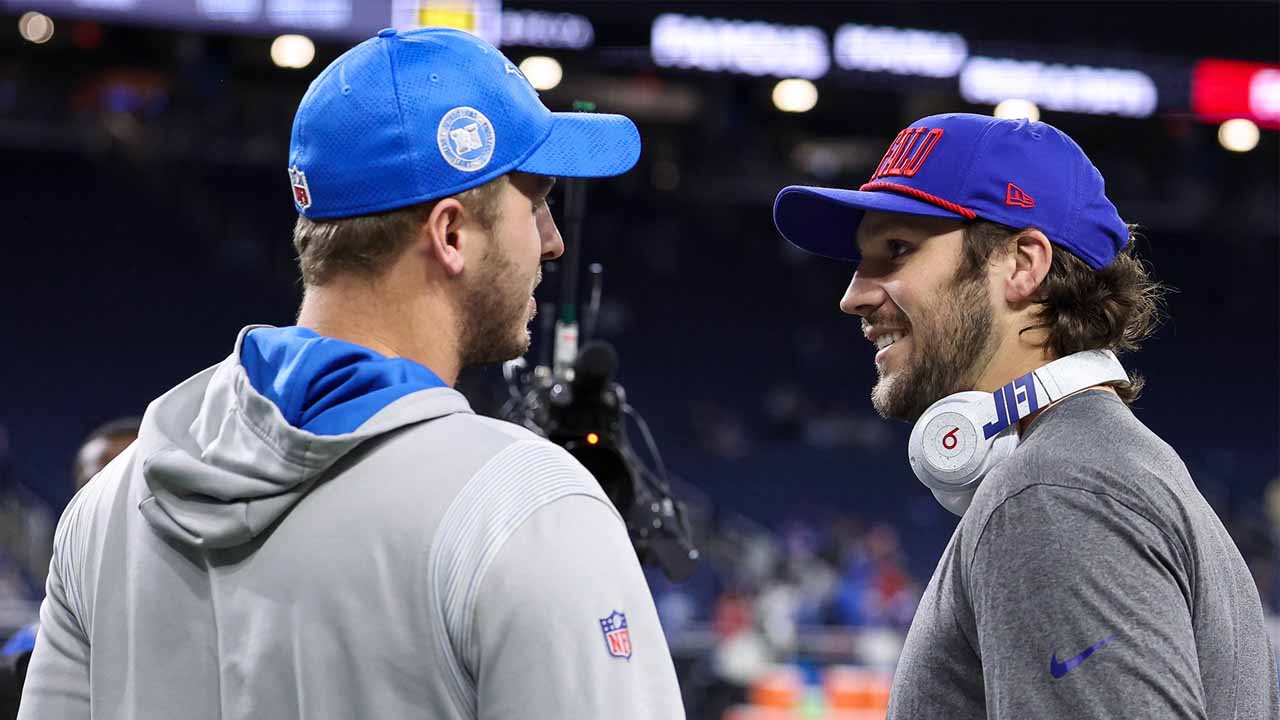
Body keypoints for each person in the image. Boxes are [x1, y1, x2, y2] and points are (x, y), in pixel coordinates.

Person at [19, 27, 684, 719]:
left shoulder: (106, 508)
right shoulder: (527, 508)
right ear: (451, 234)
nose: (552, 241)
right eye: (535, 200)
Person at [773, 113, 1279, 718]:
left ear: (1022, 263)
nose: (852, 294)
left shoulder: (1055, 491)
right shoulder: (1105, 468)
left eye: (897, 250)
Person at [1, 417, 140, 720]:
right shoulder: (29, 651)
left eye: (131, 483)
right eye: (95, 485)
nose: (112, 503)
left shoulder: (221, 613)